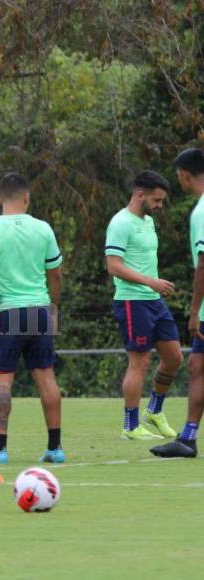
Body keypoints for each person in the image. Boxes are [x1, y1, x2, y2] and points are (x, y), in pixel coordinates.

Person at [0, 172, 65, 464]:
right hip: (39, 310)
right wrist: (53, 308)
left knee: (2, 383)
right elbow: (56, 274)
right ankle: (55, 448)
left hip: (6, 314)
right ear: (26, 197)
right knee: (46, 377)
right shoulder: (43, 229)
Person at [105, 171, 181, 440]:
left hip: (153, 300)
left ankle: (154, 411)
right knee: (140, 362)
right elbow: (113, 266)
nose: (160, 206)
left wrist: (154, 286)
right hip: (132, 300)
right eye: (157, 200)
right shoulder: (120, 223)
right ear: (140, 194)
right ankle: (130, 426)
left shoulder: (148, 221)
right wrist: (150, 281)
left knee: (174, 357)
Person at [152, 148, 204, 458]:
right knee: (197, 367)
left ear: (185, 174)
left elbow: (203, 265)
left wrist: (195, 311)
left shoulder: (200, 211)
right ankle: (188, 438)